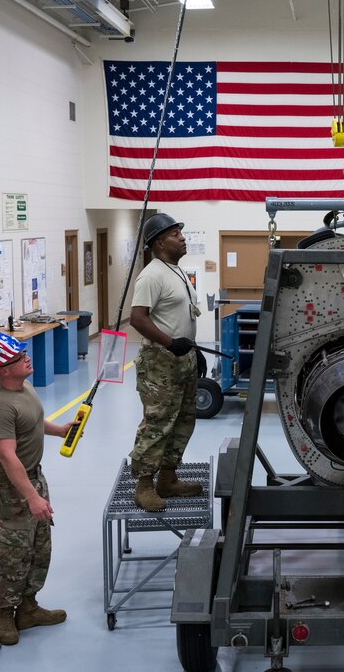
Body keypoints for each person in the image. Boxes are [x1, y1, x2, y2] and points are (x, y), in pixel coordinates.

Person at [0, 332, 73, 646]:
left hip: (33, 478)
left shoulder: (24, 388)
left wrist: (59, 430)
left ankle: (29, 607)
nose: (27, 358)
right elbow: (7, 457)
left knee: (39, 548)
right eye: (20, 357)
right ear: (3, 370)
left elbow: (32, 422)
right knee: (13, 554)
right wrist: (31, 497)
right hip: (9, 489)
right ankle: (5, 613)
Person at [128, 212, 202, 512]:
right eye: (175, 234)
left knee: (183, 421)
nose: (182, 238)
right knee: (158, 423)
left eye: (180, 233)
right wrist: (171, 343)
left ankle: (168, 478)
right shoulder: (152, 274)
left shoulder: (175, 271)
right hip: (160, 361)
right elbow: (137, 318)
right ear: (159, 243)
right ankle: (144, 485)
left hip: (183, 359)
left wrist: (192, 352)